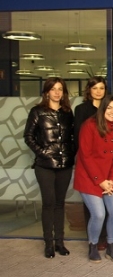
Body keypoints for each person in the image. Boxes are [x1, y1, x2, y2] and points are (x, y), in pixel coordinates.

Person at [23, 77, 76, 258]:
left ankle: (60, 242)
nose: (57, 92)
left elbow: (72, 138)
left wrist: (71, 154)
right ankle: (48, 243)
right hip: (45, 165)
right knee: (49, 203)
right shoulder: (37, 111)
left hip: (65, 165)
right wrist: (43, 153)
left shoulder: (68, 112)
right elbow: (28, 137)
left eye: (60, 89)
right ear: (46, 92)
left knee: (60, 204)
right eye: (53, 89)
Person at [73, 95, 113, 263]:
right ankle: (93, 245)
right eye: (109, 108)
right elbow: (85, 156)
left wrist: (111, 179)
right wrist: (100, 180)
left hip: (110, 179)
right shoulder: (89, 125)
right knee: (99, 214)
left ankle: (112, 245)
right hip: (89, 177)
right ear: (102, 108)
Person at [74, 76, 108, 250]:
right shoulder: (82, 109)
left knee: (106, 201)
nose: (98, 91)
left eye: (101, 88)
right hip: (88, 162)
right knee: (92, 204)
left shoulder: (109, 109)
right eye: (95, 88)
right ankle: (93, 238)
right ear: (89, 90)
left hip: (106, 163)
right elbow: (78, 137)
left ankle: (104, 237)